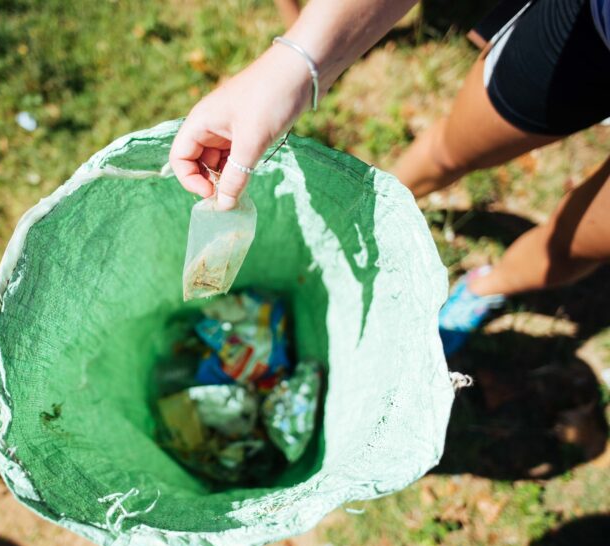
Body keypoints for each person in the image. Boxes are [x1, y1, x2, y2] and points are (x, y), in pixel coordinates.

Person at [170, 0, 610, 356]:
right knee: (453, 145)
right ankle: (380, 206)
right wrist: (291, 65)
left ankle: (487, 286)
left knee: (581, 241)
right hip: (586, 29)